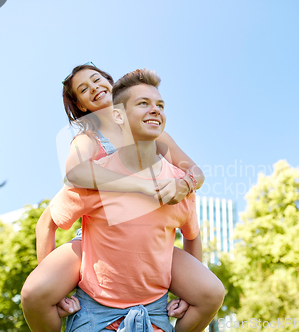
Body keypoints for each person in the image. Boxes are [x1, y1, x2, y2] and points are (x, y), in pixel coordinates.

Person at [21, 67, 224, 332]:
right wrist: (142, 186)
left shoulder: (154, 132)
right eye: (83, 89)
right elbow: (75, 173)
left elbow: (195, 173)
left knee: (209, 290)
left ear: (111, 83)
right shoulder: (88, 140)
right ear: (81, 106)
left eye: (97, 79)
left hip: (153, 236)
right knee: (36, 292)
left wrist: (183, 185)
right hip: (98, 235)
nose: (93, 87)